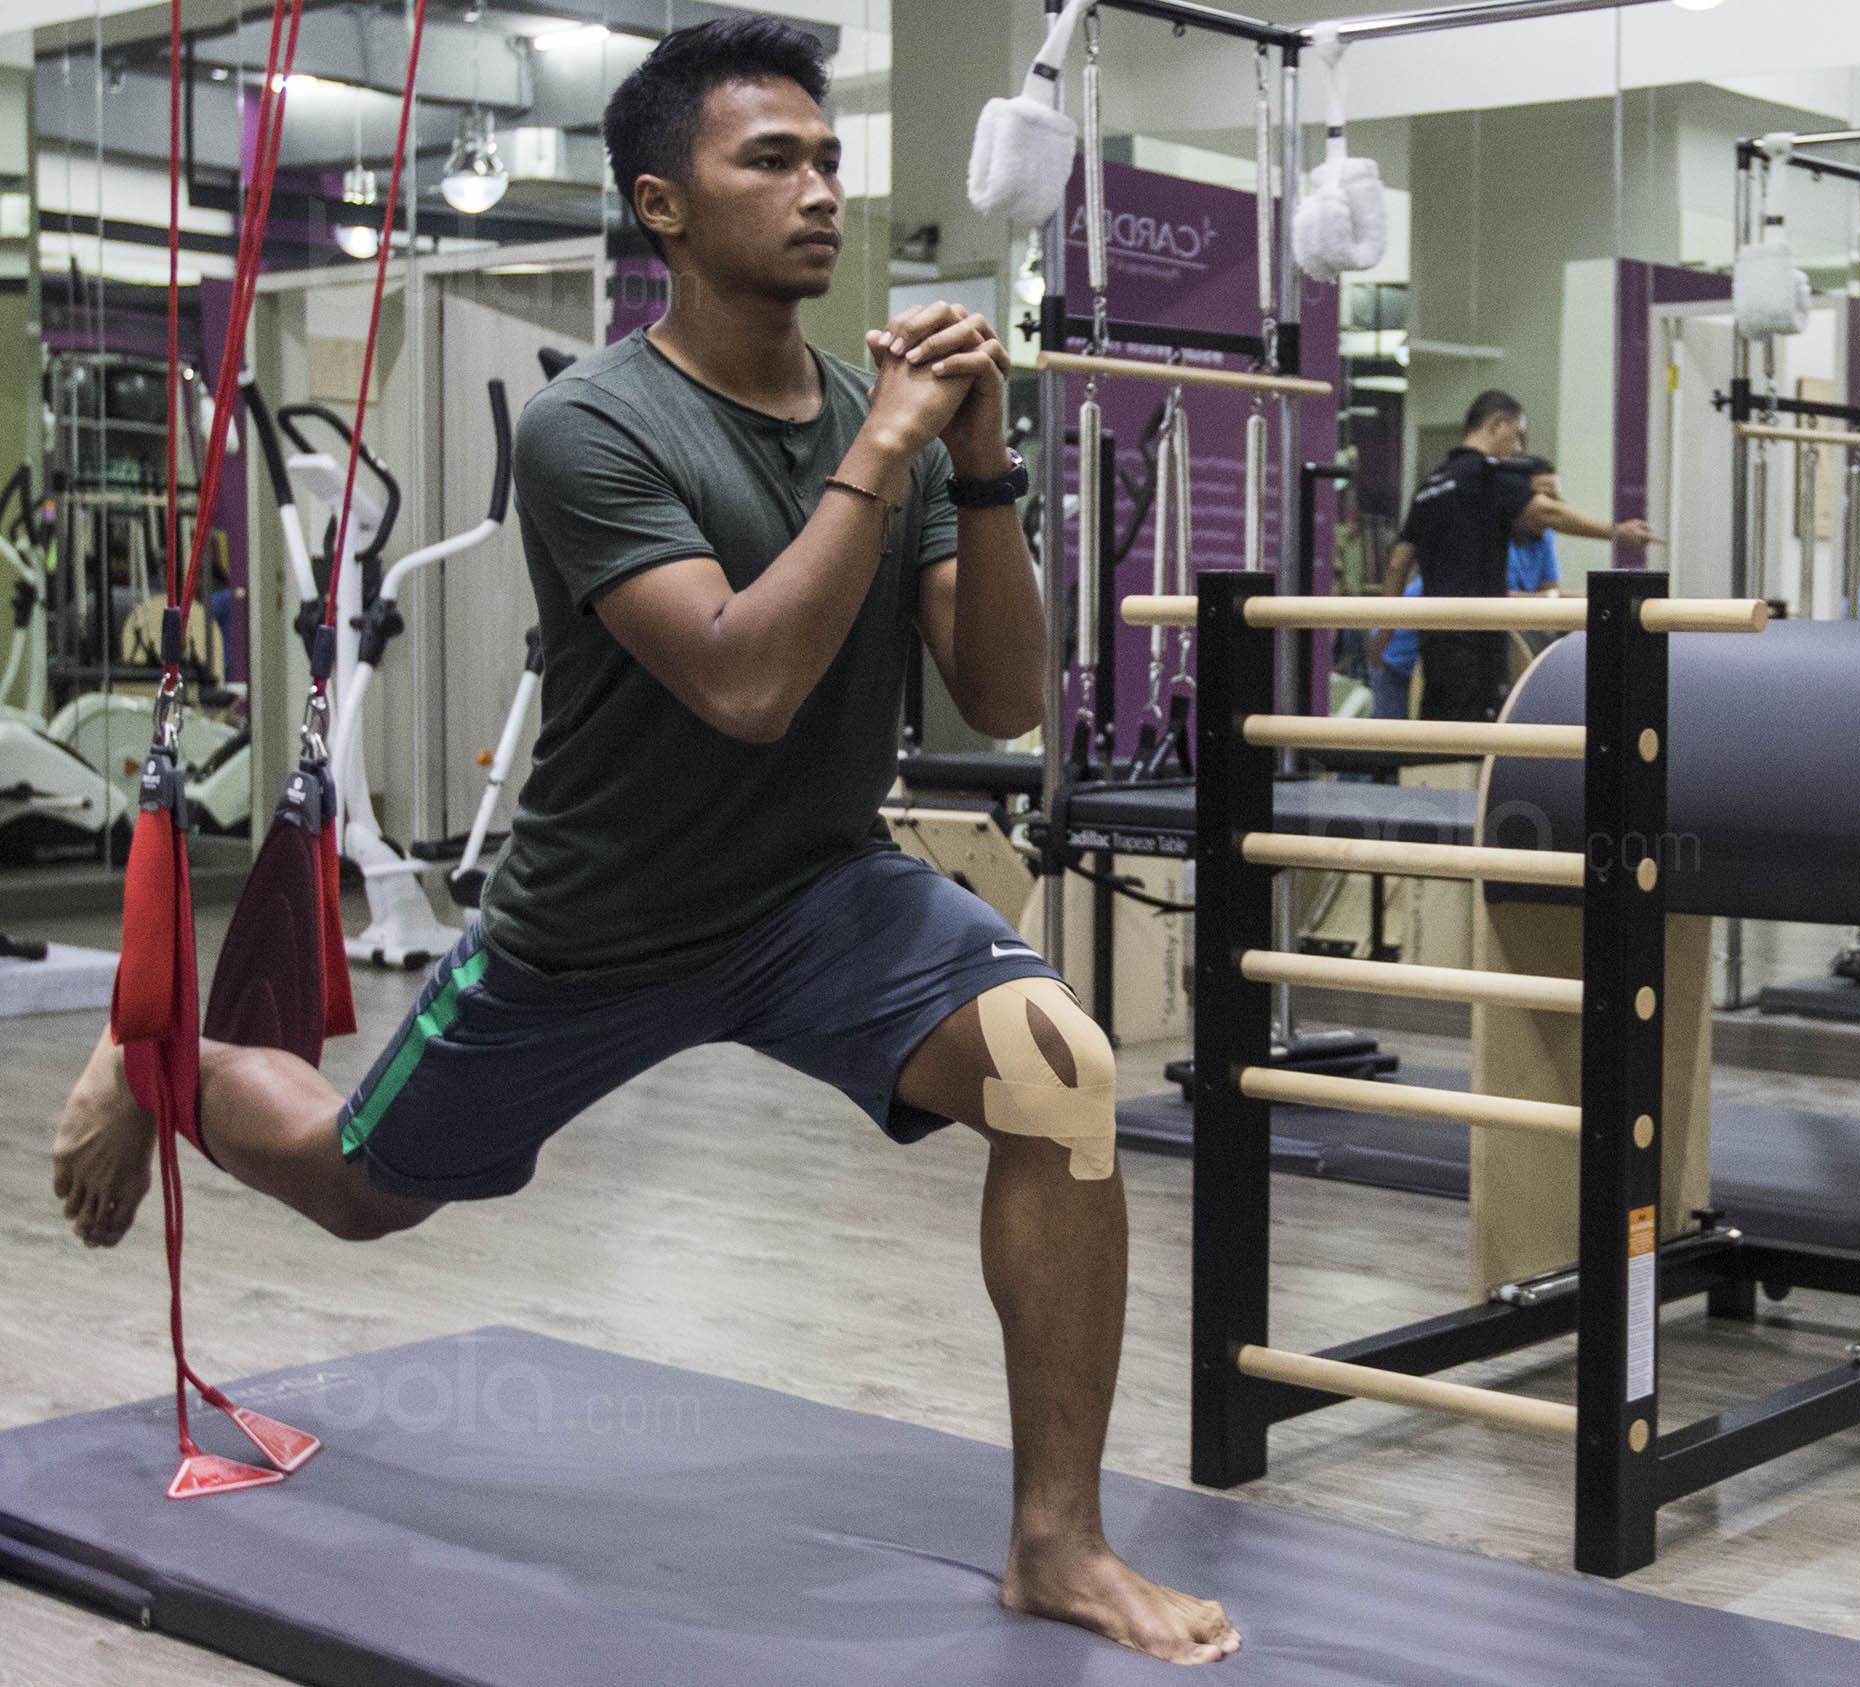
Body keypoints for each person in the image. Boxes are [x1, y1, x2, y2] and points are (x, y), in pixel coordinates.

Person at [50, 21, 1239, 1668]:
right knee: (360, 1192)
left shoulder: (866, 409)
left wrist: (978, 472)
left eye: (829, 158)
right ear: (665, 207)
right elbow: (746, 677)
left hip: (820, 889)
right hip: (596, 922)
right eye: (775, 160)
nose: (821, 189)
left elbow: (1006, 693)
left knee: (1060, 1067)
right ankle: (163, 1057)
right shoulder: (593, 427)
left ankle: (1056, 1539)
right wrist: (884, 448)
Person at [1371, 399, 1653, 722]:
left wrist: (1382, 631)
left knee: (1439, 740)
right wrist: (1617, 532)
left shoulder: (1430, 486)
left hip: (1435, 640)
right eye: (1516, 435)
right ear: (1497, 425)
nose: (1516, 447)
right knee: (1476, 739)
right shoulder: (1486, 475)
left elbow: (1397, 563)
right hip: (1477, 638)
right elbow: (1548, 513)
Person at [1368, 457, 1562, 719]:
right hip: (1403, 649)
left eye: (1554, 496)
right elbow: (1504, 596)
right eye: (1542, 496)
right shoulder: (1488, 534)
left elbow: (1550, 592)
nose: (1549, 505)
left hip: (1453, 647)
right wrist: (1383, 631)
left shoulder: (1542, 537)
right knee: (1392, 743)